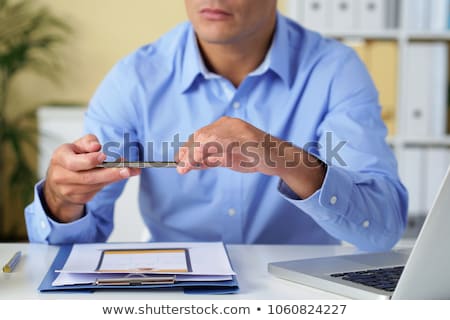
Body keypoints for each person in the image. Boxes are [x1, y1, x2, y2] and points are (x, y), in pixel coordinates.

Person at [25, 0, 408, 251]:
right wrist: (62, 202)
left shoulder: (335, 70)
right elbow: (67, 250)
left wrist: (284, 159)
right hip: (173, 296)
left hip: (299, 296)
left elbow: (382, 230)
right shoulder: (135, 79)